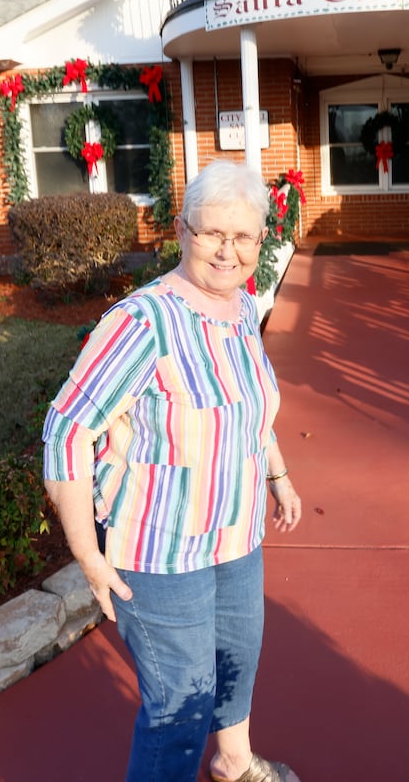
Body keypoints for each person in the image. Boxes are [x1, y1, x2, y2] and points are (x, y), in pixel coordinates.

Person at [43, 159, 303, 782]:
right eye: (212, 233)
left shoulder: (240, 308)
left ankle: (234, 765)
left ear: (259, 242)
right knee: (179, 708)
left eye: (242, 237)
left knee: (236, 664)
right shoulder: (142, 322)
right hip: (159, 552)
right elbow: (66, 433)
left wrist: (278, 475)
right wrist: (88, 553)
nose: (227, 250)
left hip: (236, 535)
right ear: (183, 231)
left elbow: (247, 407)